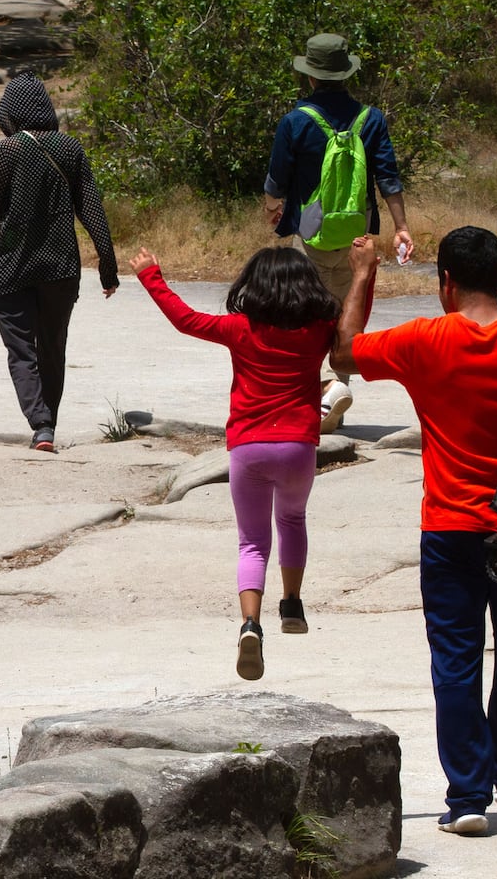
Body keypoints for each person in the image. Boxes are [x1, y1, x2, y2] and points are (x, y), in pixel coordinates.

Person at [330, 226, 497, 836]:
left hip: (451, 527)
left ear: (445, 283)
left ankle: (468, 799)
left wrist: (363, 273)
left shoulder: (425, 339)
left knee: (455, 661)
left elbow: (343, 354)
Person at [131, 244, 351, 681]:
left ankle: (250, 624)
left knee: (252, 542)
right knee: (291, 521)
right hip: (298, 448)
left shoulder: (239, 328)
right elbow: (351, 328)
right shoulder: (320, 330)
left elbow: (185, 320)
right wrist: (366, 273)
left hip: (248, 448)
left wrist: (150, 275)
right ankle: (291, 604)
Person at [264, 32, 413, 433]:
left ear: (310, 77)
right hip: (357, 236)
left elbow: (277, 179)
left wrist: (273, 208)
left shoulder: (295, 121)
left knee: (302, 316)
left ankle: (311, 398)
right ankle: (337, 390)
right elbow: (388, 177)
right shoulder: (371, 119)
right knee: (346, 314)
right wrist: (401, 227)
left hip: (309, 237)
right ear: (346, 74)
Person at [0, 72, 119, 451]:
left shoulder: (7, 152)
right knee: (52, 347)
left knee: (21, 350)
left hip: (13, 266)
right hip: (60, 267)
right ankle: (47, 427)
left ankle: (40, 425)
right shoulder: (71, 149)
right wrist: (108, 266)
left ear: (11, 116)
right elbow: (92, 211)